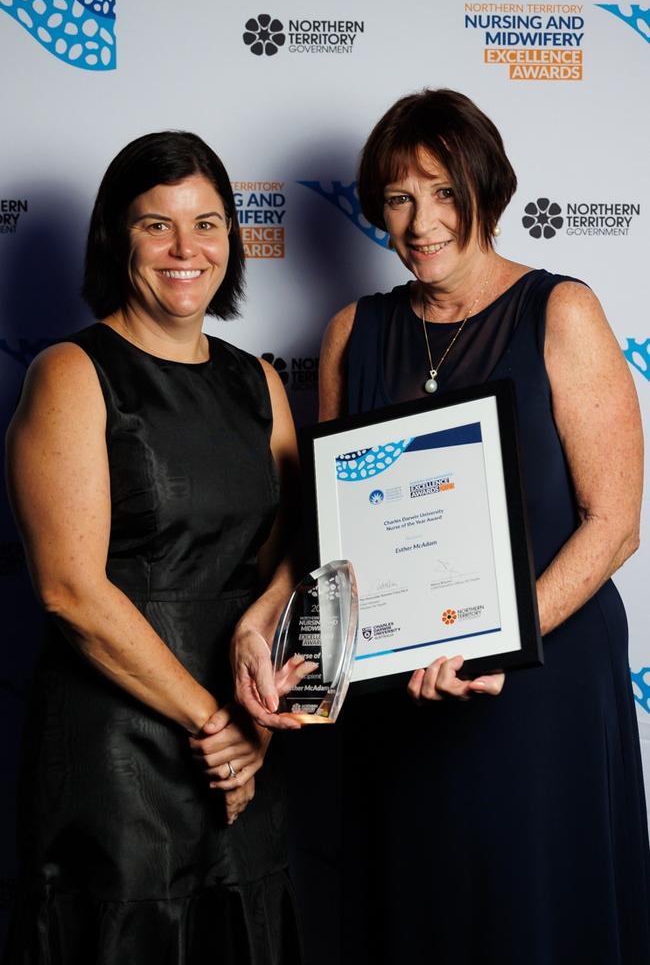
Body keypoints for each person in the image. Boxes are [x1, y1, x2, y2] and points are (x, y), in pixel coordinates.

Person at [235, 90, 650, 964]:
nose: (420, 222)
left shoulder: (562, 311)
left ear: (486, 192)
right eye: (396, 197)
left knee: (539, 915)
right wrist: (293, 654)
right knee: (418, 914)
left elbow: (614, 525)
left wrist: (497, 641)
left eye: (444, 193)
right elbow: (332, 535)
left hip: (541, 681)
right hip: (405, 693)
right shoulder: (354, 330)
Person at [4, 131, 305, 965]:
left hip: (244, 739)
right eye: (156, 226)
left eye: (208, 224)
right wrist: (217, 729)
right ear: (116, 238)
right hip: (121, 755)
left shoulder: (259, 381)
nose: (187, 250)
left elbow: (290, 553)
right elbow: (69, 589)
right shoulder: (71, 372)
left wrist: (262, 716)